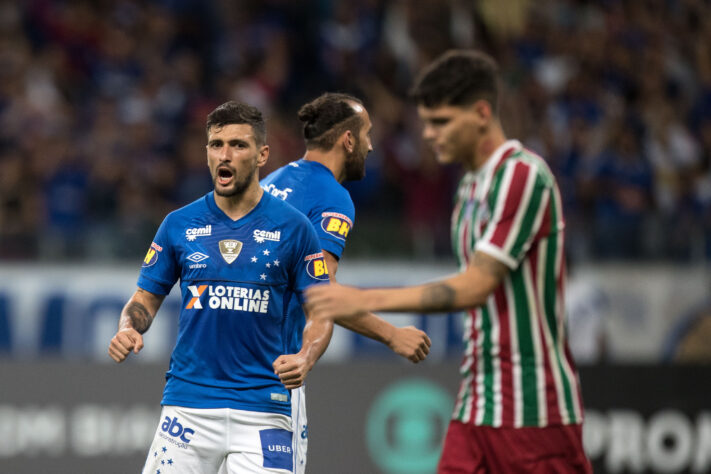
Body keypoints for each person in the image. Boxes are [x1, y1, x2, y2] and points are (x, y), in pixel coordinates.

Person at [306, 50, 593, 473]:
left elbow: (475, 286)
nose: (427, 134)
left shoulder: (523, 176)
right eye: (425, 121)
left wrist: (360, 299)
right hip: (478, 403)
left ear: (480, 113)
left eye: (440, 122)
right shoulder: (469, 190)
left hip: (533, 410)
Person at [108, 101, 333, 473]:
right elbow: (145, 299)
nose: (224, 155)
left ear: (262, 154)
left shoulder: (295, 229)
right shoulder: (178, 224)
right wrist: (127, 327)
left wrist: (306, 356)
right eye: (216, 144)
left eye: (238, 145)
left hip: (264, 411)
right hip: (188, 409)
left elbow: (322, 312)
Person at [261, 92, 432, 470]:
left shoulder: (271, 181)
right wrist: (391, 334)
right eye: (367, 134)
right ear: (348, 140)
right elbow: (321, 291)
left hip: (230, 366)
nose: (371, 146)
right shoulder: (332, 196)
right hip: (275, 371)